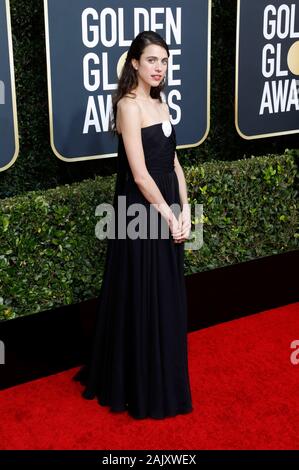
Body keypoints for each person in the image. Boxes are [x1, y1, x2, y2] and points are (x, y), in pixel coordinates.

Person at [74, 30, 193, 419]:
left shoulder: (160, 102)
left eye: (164, 60)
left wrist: (187, 209)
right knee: (142, 291)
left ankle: (163, 372)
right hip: (140, 212)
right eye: (152, 60)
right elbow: (140, 176)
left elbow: (174, 163)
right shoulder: (128, 105)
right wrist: (169, 214)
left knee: (165, 294)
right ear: (135, 63)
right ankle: (139, 381)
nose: (159, 67)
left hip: (168, 209)